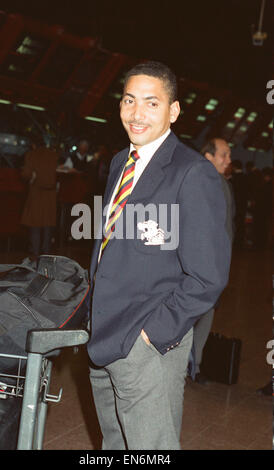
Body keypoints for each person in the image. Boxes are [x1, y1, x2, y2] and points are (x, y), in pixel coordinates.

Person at [86, 61, 231, 450]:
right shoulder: (121, 162)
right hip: (104, 334)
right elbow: (112, 245)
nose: (137, 113)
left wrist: (152, 336)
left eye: (152, 103)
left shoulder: (192, 173)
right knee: (115, 443)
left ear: (174, 111)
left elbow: (208, 276)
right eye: (129, 100)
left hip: (145, 341)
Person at [193, 138, 234, 384]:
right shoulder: (206, 182)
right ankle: (190, 366)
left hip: (213, 263)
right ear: (208, 156)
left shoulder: (217, 182)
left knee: (204, 314)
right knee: (198, 314)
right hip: (205, 265)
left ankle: (192, 364)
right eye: (224, 155)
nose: (228, 160)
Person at [20, 138, 58, 258]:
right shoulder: (54, 155)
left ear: (33, 144)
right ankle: (46, 253)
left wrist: (31, 178)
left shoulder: (31, 155)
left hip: (36, 193)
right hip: (50, 195)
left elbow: (26, 174)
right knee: (48, 225)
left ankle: (35, 254)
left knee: (35, 225)